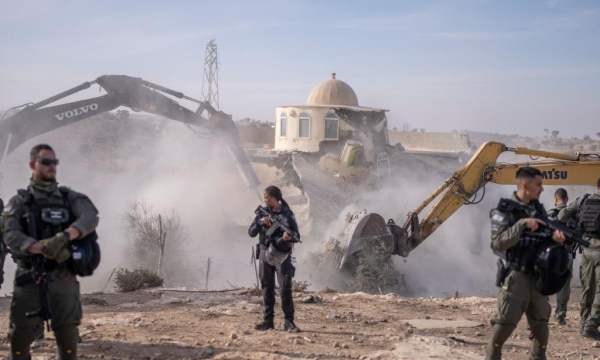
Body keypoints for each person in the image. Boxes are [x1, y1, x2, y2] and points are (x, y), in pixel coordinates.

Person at [1, 144, 99, 360]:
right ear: (32, 165)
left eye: (54, 162)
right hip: (29, 277)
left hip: (64, 276)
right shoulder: (20, 202)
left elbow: (90, 217)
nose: (51, 167)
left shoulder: (69, 198)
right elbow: (10, 233)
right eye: (46, 162)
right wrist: (39, 247)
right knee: (20, 338)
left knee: (67, 336)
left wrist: (65, 237)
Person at [486, 167, 566, 360]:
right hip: (516, 278)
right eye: (538, 184)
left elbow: (543, 240)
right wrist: (522, 225)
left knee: (541, 329)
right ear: (525, 185)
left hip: (538, 278)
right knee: (502, 328)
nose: (542, 189)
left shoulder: (539, 210)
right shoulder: (503, 210)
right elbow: (498, 243)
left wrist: (555, 239)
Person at [248, 185, 301, 333]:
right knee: (267, 288)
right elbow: (251, 232)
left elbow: (297, 236)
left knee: (285, 288)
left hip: (282, 256)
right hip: (265, 254)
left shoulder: (287, 214)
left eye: (268, 197)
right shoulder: (262, 214)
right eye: (264, 197)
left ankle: (289, 321)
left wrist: (287, 237)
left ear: (276, 198)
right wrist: (260, 222)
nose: (265, 200)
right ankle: (268, 321)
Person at [558, 177, 600, 339]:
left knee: (588, 288)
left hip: (586, 251)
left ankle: (583, 324)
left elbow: (562, 215)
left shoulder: (583, 200)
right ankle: (591, 324)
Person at [549, 188, 572, 325]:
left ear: (555, 199)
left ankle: (541, 313)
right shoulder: (572, 215)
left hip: (550, 254)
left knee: (544, 281)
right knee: (564, 285)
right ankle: (560, 315)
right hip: (566, 254)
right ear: (567, 199)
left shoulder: (549, 214)